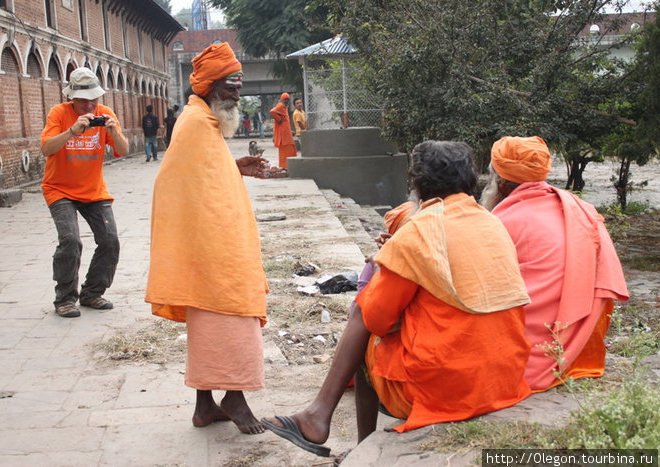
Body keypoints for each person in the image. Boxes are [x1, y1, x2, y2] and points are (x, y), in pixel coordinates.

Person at [262, 141, 533, 456]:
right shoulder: (493, 223)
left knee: (362, 322)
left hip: (449, 391)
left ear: (416, 185)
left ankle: (331, 425)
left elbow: (376, 318)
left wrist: (387, 264)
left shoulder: (418, 231)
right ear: (472, 182)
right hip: (505, 379)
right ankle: (322, 420)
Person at [145, 42, 270, 435]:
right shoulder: (197, 122)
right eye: (231, 85)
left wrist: (236, 168)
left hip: (211, 244)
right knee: (231, 315)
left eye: (239, 84)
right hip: (216, 247)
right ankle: (234, 396)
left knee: (207, 320)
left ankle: (204, 406)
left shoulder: (202, 118)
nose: (238, 92)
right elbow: (183, 184)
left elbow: (205, 175)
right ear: (210, 85)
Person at [480, 136, 629, 392]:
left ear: (501, 183)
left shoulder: (501, 221)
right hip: (578, 341)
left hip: (527, 349)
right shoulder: (579, 208)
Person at [40, 67, 128, 318]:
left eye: (94, 99)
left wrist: (112, 131)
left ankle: (92, 292)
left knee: (110, 240)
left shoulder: (105, 114)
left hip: (94, 190)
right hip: (59, 189)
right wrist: (72, 132)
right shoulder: (59, 113)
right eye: (83, 100)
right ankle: (65, 298)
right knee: (70, 241)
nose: (90, 105)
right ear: (72, 98)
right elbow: (46, 148)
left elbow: (123, 149)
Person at [270, 92, 296, 169]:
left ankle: (287, 166)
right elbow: (272, 111)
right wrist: (279, 119)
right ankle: (285, 166)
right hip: (283, 133)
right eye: (285, 99)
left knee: (289, 147)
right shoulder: (280, 105)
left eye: (287, 99)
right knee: (286, 147)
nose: (286, 101)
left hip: (286, 132)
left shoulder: (284, 107)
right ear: (282, 99)